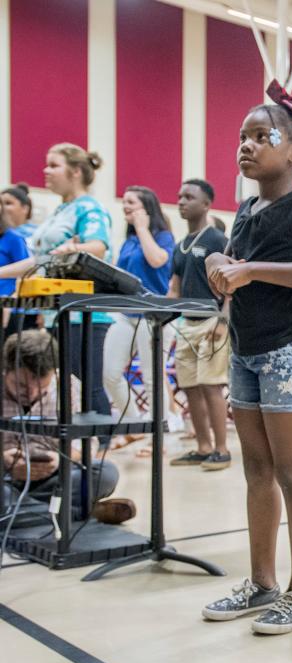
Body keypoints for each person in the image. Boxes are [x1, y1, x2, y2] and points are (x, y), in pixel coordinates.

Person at [201, 80, 292, 634]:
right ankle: (261, 583)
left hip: (289, 349)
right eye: (244, 136)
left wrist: (252, 270)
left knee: (291, 471)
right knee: (256, 469)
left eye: (263, 136)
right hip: (246, 351)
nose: (248, 145)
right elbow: (234, 269)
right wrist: (219, 260)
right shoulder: (246, 209)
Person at [1, 145, 114, 407]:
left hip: (84, 314)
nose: (46, 170)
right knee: (66, 389)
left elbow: (98, 246)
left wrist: (73, 248)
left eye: (54, 165)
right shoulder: (61, 211)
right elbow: (42, 259)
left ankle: (99, 447)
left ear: (75, 171)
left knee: (86, 388)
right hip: (57, 313)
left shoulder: (89, 208)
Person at [2, 331, 134, 524]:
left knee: (105, 472)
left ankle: (20, 515)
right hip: (6, 478)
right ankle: (80, 514)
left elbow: (85, 440)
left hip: (55, 477)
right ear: (5, 369)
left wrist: (61, 458)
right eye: (20, 385)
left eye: (40, 388)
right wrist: (4, 459)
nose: (30, 394)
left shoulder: (67, 385)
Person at [102, 186, 176, 447]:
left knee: (152, 378)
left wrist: (143, 228)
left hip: (154, 315)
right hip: (126, 314)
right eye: (123, 201)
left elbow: (157, 261)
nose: (125, 206)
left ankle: (157, 439)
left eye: (131, 202)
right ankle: (133, 424)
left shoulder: (164, 236)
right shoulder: (128, 240)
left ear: (147, 207)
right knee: (110, 374)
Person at [168, 179, 231, 471]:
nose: (181, 201)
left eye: (188, 197)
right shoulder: (179, 246)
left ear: (205, 204)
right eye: (179, 196)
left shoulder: (216, 239)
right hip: (186, 324)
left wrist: (223, 320)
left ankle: (221, 448)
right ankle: (202, 446)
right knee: (191, 386)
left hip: (211, 321)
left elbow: (231, 284)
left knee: (211, 385)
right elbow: (176, 286)